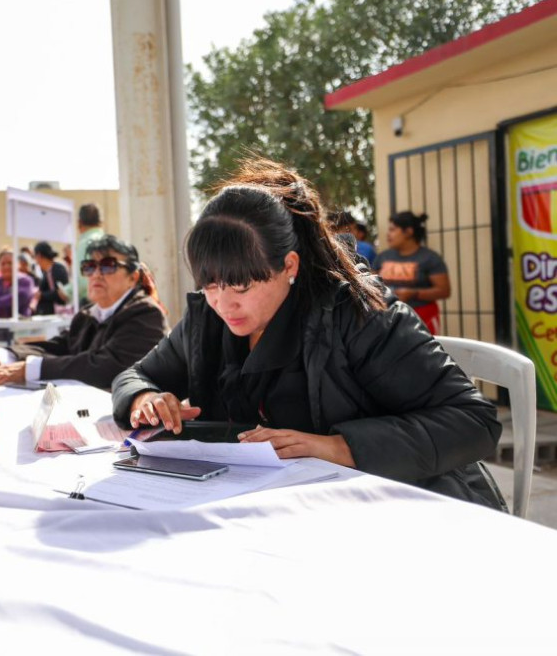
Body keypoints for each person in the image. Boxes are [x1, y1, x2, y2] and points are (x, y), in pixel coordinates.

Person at [111, 159, 503, 509]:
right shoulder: (207, 320)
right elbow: (134, 376)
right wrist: (144, 398)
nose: (223, 304)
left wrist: (337, 447)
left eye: (242, 287)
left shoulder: (359, 315)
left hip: (406, 506)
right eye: (211, 285)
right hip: (281, 509)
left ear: (290, 266)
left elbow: (474, 422)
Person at [0, 236, 168, 390]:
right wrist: (5, 355)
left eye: (108, 265)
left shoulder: (146, 313)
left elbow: (104, 366)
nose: (96, 274)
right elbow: (61, 346)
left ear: (132, 277)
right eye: (90, 266)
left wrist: (30, 369)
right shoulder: (88, 314)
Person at [372, 211, 450, 335]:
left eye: (392, 230)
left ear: (408, 232)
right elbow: (370, 284)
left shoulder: (430, 258)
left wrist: (414, 294)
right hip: (387, 318)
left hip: (423, 317)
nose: (388, 234)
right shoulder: (383, 257)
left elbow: (444, 291)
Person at [0, 249, 37, 319]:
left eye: (10, 263)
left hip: (20, 326)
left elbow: (19, 299)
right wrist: (9, 300)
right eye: (3, 264)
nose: (6, 267)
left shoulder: (26, 281)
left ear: (18, 264)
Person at [75, 203, 106, 305]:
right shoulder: (108, 240)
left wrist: (67, 292)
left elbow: (82, 280)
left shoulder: (85, 244)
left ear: (79, 223)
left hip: (90, 302)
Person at [33, 240, 71, 315]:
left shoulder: (58, 269)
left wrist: (42, 295)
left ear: (39, 255)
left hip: (56, 316)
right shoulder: (46, 271)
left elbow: (62, 292)